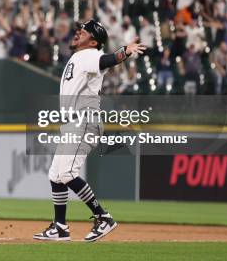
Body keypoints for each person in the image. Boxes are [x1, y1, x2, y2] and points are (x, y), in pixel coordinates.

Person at [33, 20, 146, 242]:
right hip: (71, 123)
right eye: (79, 29)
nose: (78, 32)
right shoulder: (78, 57)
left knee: (66, 174)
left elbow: (108, 60)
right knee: (56, 175)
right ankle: (60, 227)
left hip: (84, 121)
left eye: (83, 31)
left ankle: (103, 217)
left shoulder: (92, 55)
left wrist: (124, 51)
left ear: (93, 41)